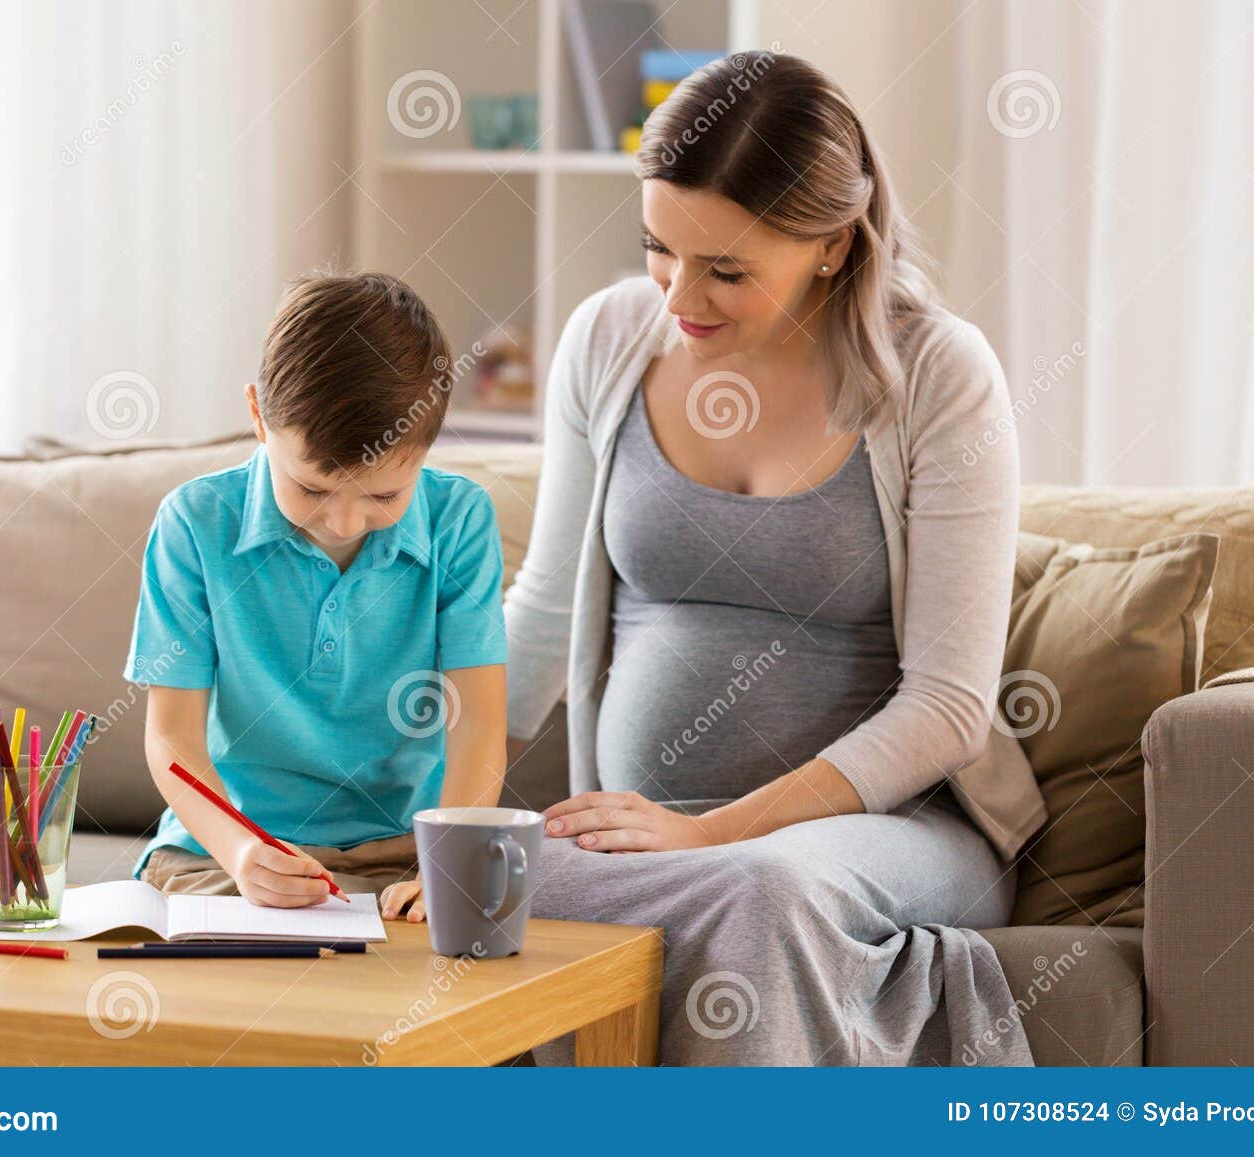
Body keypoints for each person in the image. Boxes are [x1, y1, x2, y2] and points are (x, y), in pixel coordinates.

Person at [504, 53, 1044, 1065]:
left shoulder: (937, 373)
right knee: (488, 880)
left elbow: (946, 708)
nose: (678, 296)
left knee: (761, 889)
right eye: (659, 247)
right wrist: (400, 805)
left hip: (899, 832)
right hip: (649, 835)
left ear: (832, 245)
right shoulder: (608, 340)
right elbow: (536, 620)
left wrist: (715, 834)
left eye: (727, 269)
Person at [124, 270, 507, 923]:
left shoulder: (460, 520)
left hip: (405, 855)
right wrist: (243, 851)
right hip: (221, 855)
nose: (345, 521)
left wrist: (445, 857)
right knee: (226, 974)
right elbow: (171, 735)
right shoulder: (193, 523)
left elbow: (478, 726)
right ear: (257, 416)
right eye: (310, 489)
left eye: (384, 496)